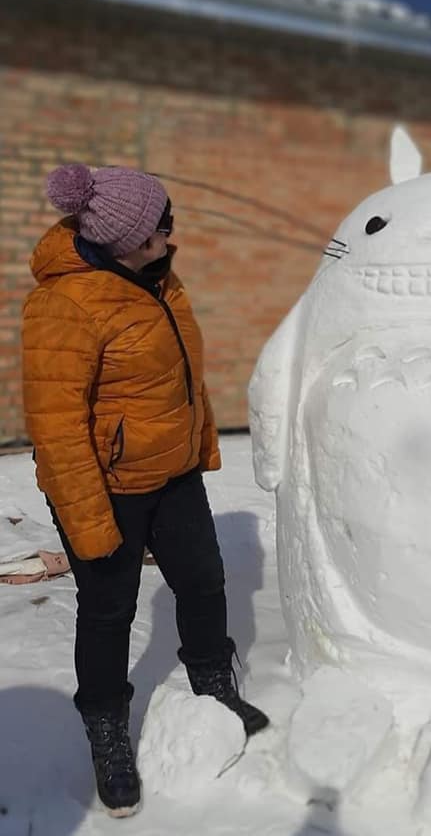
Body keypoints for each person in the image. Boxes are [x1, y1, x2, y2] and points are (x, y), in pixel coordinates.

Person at [21, 164, 268, 818]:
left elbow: (179, 379)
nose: (170, 237)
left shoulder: (154, 276)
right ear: (124, 239)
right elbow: (56, 427)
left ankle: (215, 689)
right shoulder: (65, 304)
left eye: (169, 223)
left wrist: (198, 445)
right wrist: (90, 525)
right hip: (104, 489)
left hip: (173, 474)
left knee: (204, 581)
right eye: (160, 229)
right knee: (108, 611)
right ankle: (107, 732)